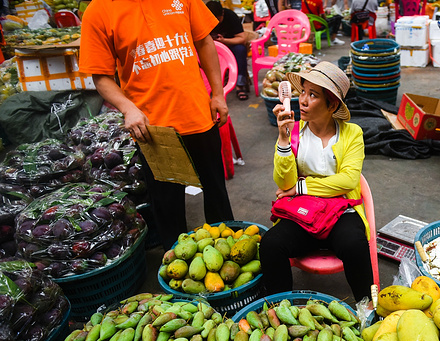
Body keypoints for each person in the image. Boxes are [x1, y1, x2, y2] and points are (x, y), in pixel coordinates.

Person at [79, 0, 235, 251]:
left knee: (216, 193)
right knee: (167, 206)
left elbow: (205, 42)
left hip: (198, 115)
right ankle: (178, 269)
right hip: (154, 130)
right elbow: (101, 76)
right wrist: (129, 109)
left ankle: (230, 256)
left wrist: (217, 93)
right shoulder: (99, 11)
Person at [260, 61, 373, 302]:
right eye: (302, 92)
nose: (303, 100)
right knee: (271, 244)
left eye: (313, 95)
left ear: (332, 104)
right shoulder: (294, 131)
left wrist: (300, 187)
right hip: (305, 212)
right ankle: (280, 311)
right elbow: (283, 180)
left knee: (354, 244)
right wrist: (282, 139)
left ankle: (368, 310)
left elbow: (347, 180)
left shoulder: (352, 134)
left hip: (342, 211)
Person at [206, 1, 254, 101]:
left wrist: (224, 41)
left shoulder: (230, 16)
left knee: (240, 49)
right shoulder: (203, 19)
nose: (215, 22)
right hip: (211, 48)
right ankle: (208, 86)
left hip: (230, 46)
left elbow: (242, 38)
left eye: (218, 19)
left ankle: (240, 85)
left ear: (222, 13)